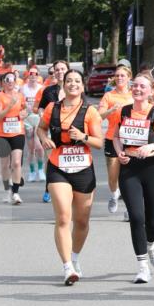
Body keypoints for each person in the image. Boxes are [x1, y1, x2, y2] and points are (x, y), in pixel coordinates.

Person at [37, 69, 103, 285]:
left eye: (77, 81)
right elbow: (41, 129)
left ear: (82, 86)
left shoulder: (90, 111)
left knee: (82, 221)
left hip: (83, 168)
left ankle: (74, 257)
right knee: (64, 217)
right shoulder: (51, 108)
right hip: (58, 166)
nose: (73, 84)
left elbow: (99, 143)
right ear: (63, 85)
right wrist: (44, 139)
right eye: (69, 81)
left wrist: (83, 137)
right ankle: (67, 267)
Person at [113, 71, 154, 283]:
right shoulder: (123, 112)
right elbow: (115, 137)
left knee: (153, 221)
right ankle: (142, 267)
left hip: (153, 169)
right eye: (135, 86)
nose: (138, 89)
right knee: (136, 217)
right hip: (129, 168)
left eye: (143, 86)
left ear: (151, 91)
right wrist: (119, 152)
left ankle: (150, 245)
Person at [98, 64, 134, 215]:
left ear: (129, 78)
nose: (119, 78)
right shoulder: (109, 95)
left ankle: (129, 208)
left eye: (122, 76)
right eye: (117, 75)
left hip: (131, 138)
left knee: (130, 176)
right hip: (112, 138)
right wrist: (111, 110)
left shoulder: (134, 94)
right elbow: (99, 116)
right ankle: (114, 194)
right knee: (113, 176)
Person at [0, 72, 28, 205]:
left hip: (17, 132)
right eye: (7, 79)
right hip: (1, 135)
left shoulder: (20, 96)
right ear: (3, 82)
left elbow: (25, 109)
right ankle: (7, 190)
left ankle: (16, 193)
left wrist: (24, 114)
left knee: (16, 163)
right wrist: (10, 106)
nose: (10, 82)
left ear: (15, 82)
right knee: (5, 165)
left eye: (13, 79)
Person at [36, 60, 69, 203]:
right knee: (51, 160)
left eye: (62, 69)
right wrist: (42, 115)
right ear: (54, 72)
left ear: (68, 70)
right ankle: (49, 187)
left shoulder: (75, 88)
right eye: (57, 69)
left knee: (67, 161)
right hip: (51, 132)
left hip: (70, 132)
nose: (60, 72)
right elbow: (41, 107)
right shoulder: (48, 90)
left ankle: (67, 188)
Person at [22, 67, 46, 182]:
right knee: (31, 149)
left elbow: (46, 103)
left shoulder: (42, 89)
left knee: (39, 147)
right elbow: (19, 103)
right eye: (31, 74)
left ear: (38, 75)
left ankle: (41, 170)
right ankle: (32, 171)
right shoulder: (23, 89)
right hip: (27, 119)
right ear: (28, 75)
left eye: (35, 74)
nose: (33, 76)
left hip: (38, 118)